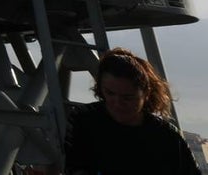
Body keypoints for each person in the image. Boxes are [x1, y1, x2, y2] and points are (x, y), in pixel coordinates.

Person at [64, 47, 199, 175]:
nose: (117, 103)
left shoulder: (167, 137)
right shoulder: (84, 120)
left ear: (146, 94)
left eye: (127, 97)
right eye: (110, 93)